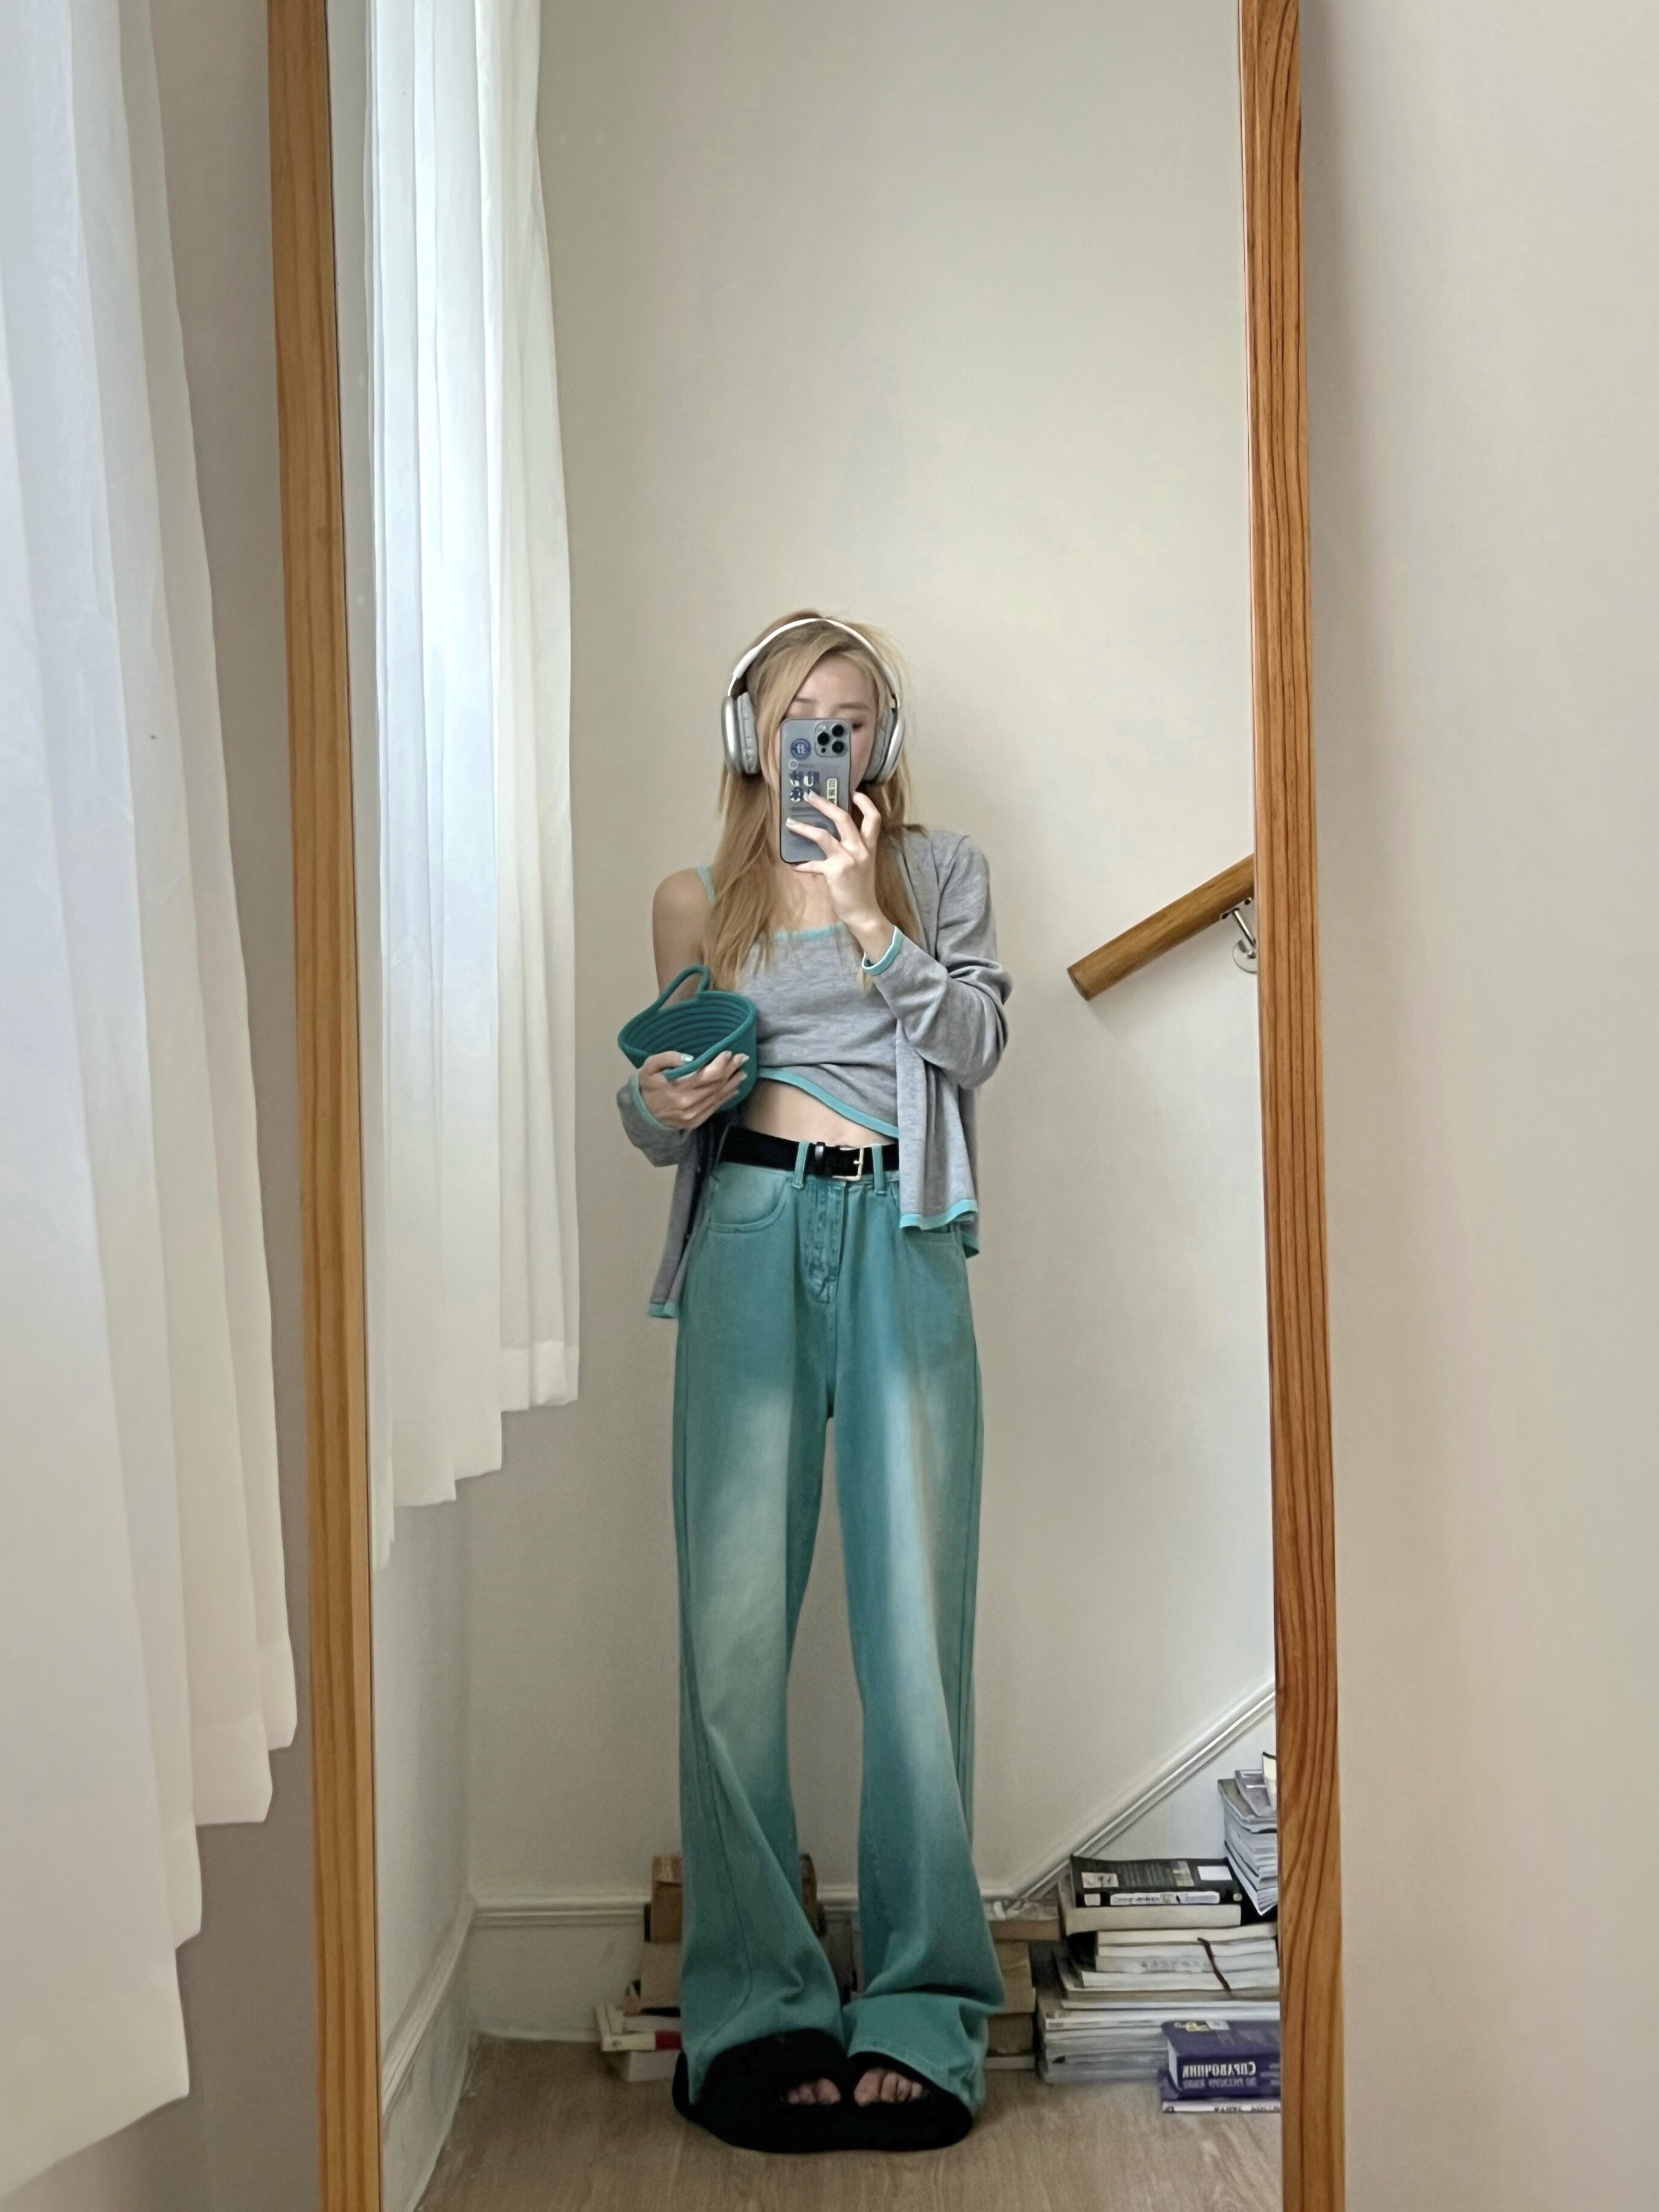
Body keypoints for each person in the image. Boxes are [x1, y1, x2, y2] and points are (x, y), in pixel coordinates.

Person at [615, 612, 1011, 2153]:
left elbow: (977, 1041)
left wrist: (866, 920)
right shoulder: (695, 898)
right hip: (750, 1234)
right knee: (730, 1639)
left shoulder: (941, 872)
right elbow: (657, 1106)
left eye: (850, 719)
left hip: (900, 1229)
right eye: (799, 720)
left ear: (884, 741)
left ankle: (923, 2005)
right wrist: (663, 1099)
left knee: (916, 1635)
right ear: (750, 738)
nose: (825, 744)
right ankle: (754, 2006)